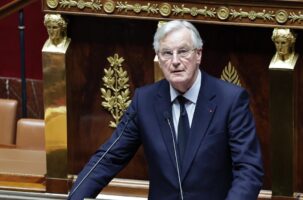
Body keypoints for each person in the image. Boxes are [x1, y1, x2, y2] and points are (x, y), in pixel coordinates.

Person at [68, 20, 264, 200]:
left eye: (183, 51)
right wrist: (75, 197)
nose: (175, 61)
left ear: (198, 54)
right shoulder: (145, 101)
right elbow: (109, 157)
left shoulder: (230, 99)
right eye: (167, 53)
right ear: (159, 59)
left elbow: (248, 170)